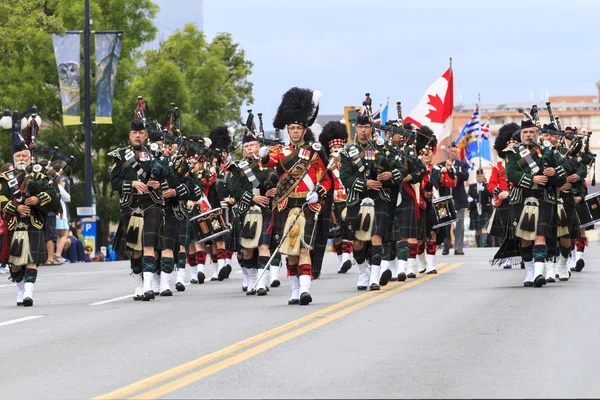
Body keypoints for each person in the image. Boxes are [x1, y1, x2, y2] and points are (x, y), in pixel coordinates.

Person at [259, 87, 333, 305]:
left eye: (298, 128)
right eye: (291, 128)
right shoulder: (280, 151)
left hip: (308, 205)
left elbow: (327, 180)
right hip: (286, 203)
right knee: (290, 250)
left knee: (303, 247)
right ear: (287, 130)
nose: (294, 132)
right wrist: (263, 156)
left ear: (304, 129)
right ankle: (294, 290)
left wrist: (318, 194)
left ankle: (305, 291)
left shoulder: (315, 151)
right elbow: (269, 162)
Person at [340, 111, 404, 290]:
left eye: (366, 127)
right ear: (356, 128)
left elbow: (400, 168)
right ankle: (363, 272)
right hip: (357, 199)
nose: (363, 131)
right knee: (358, 241)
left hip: (379, 198)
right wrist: (364, 183)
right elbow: (344, 177)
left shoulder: (382, 148)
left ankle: (374, 277)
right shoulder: (347, 152)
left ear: (371, 128)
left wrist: (390, 174)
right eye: (360, 127)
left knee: (376, 236)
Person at [503, 118, 567, 287]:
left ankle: (539, 273)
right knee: (525, 238)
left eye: (532, 132)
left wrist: (553, 172)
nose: (529, 135)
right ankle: (530, 272)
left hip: (544, 198)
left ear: (537, 134)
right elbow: (511, 174)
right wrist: (533, 178)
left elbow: (563, 170)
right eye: (525, 132)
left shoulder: (548, 151)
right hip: (522, 198)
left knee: (540, 236)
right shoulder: (513, 152)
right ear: (520, 134)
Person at [110, 119, 165, 301]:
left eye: (141, 133)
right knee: (135, 248)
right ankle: (138, 285)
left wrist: (159, 183)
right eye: (135, 133)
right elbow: (115, 182)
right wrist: (131, 183)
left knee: (149, 244)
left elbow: (169, 178)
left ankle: (149, 285)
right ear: (130, 136)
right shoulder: (120, 156)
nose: (138, 136)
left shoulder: (156, 154)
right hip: (131, 205)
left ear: (146, 135)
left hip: (151, 203)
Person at [0, 139, 60, 306]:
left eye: (24, 155)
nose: (21, 158)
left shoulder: (39, 176)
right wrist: (15, 207)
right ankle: (20, 288)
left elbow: (53, 195)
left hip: (34, 223)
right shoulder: (5, 178)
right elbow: (1, 197)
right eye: (18, 156)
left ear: (30, 157)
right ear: (14, 158)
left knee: (31, 259)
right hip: (14, 224)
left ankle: (28, 293)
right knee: (16, 265)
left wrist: (37, 199)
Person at [230, 133, 278, 295]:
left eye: (252, 146)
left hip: (264, 211)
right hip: (246, 212)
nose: (250, 149)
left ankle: (261, 282)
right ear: (243, 151)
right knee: (247, 250)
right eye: (246, 147)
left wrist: (275, 190)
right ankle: (252, 278)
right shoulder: (237, 167)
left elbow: (278, 181)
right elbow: (235, 189)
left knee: (263, 246)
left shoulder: (269, 165)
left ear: (259, 146)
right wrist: (253, 197)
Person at [318, 121, 353, 274]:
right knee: (336, 234)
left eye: (339, 147)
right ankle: (341, 262)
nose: (337, 150)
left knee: (347, 231)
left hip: (348, 199)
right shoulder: (327, 165)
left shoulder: (350, 162)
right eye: (334, 148)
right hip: (333, 201)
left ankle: (346, 258)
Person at [441, 142, 469, 255]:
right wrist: (446, 170)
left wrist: (454, 170)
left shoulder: (462, 164)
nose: (453, 153)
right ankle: (446, 245)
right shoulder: (441, 165)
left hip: (459, 198)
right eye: (451, 151)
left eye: (455, 152)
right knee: (445, 223)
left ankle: (458, 247)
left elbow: (465, 176)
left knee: (460, 224)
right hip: (445, 198)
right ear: (447, 152)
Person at [467, 169, 493, 247]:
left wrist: (484, 189)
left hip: (485, 209)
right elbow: (469, 195)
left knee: (484, 227)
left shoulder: (487, 185)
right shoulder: (472, 186)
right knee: (477, 229)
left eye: (481, 176)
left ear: (483, 176)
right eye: (478, 176)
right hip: (475, 209)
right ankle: (479, 245)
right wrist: (470, 198)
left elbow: (490, 195)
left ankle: (483, 243)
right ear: (476, 177)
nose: (479, 178)